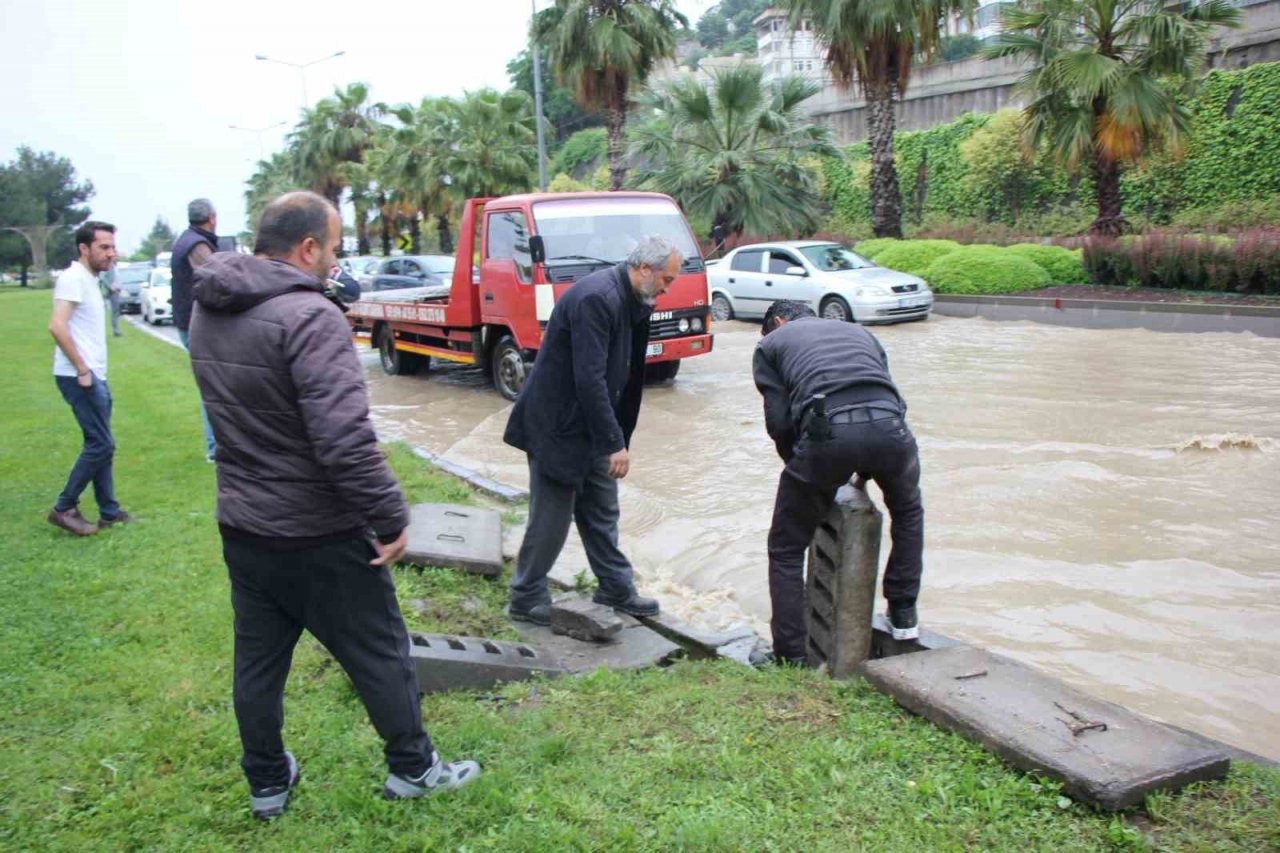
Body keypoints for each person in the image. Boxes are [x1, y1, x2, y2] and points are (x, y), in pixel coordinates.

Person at [188, 191, 479, 820]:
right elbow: (344, 439)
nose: (337, 261)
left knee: (257, 663)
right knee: (380, 652)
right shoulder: (311, 317)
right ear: (308, 248)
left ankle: (267, 782)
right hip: (317, 530)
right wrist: (391, 516)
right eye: (336, 248)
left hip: (243, 525)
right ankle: (414, 769)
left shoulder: (208, 308)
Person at [502, 237, 681, 625]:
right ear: (645, 269)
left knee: (602, 509)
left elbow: (624, 376)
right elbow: (589, 379)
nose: (669, 287)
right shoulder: (597, 299)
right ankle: (526, 595)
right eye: (667, 278)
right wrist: (614, 442)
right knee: (552, 516)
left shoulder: (635, 301)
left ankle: (616, 588)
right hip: (559, 425)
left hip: (592, 427)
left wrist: (614, 437)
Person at [753, 300, 925, 665]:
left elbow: (780, 424)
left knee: (785, 548)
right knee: (908, 511)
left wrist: (804, 472)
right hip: (893, 431)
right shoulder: (859, 332)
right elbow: (881, 395)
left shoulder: (771, 344)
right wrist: (864, 472)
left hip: (827, 435)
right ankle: (903, 613)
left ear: (778, 322)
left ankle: (790, 655)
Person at [47, 221, 131, 535]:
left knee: (102, 444)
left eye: (112, 247)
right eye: (104, 247)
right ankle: (64, 507)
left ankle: (109, 511)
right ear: (84, 248)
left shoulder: (90, 279)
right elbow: (57, 326)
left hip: (93, 374)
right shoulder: (73, 278)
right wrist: (83, 369)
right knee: (100, 444)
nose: (112, 254)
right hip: (79, 376)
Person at [170, 198, 218, 460]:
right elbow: (218, 278)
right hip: (195, 326)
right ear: (211, 217)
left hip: (189, 323)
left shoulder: (188, 239)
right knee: (213, 386)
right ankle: (215, 449)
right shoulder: (197, 245)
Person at [100, 261, 123, 337]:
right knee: (106, 311)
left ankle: (116, 330)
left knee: (116, 312)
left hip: (116, 291)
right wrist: (110, 287)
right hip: (110, 292)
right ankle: (115, 331)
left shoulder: (115, 266)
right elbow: (102, 277)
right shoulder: (108, 265)